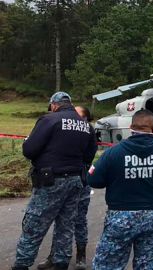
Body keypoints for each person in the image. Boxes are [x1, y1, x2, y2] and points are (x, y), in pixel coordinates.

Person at [88, 109, 153, 269]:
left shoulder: (112, 153)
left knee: (108, 265)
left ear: (131, 127)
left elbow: (93, 180)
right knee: (148, 265)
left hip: (121, 219)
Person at [12, 92, 97, 270]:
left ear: (54, 104)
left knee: (34, 225)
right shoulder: (86, 126)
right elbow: (89, 155)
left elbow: (29, 150)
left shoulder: (49, 120)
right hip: (75, 181)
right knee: (65, 226)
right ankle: (61, 263)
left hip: (51, 180)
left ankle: (22, 264)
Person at [37, 106, 96, 270]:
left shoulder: (87, 133)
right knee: (60, 221)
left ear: (85, 119)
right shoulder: (69, 131)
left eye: (78, 114)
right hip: (66, 181)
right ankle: (55, 255)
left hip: (81, 183)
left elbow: (88, 157)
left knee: (79, 220)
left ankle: (81, 255)